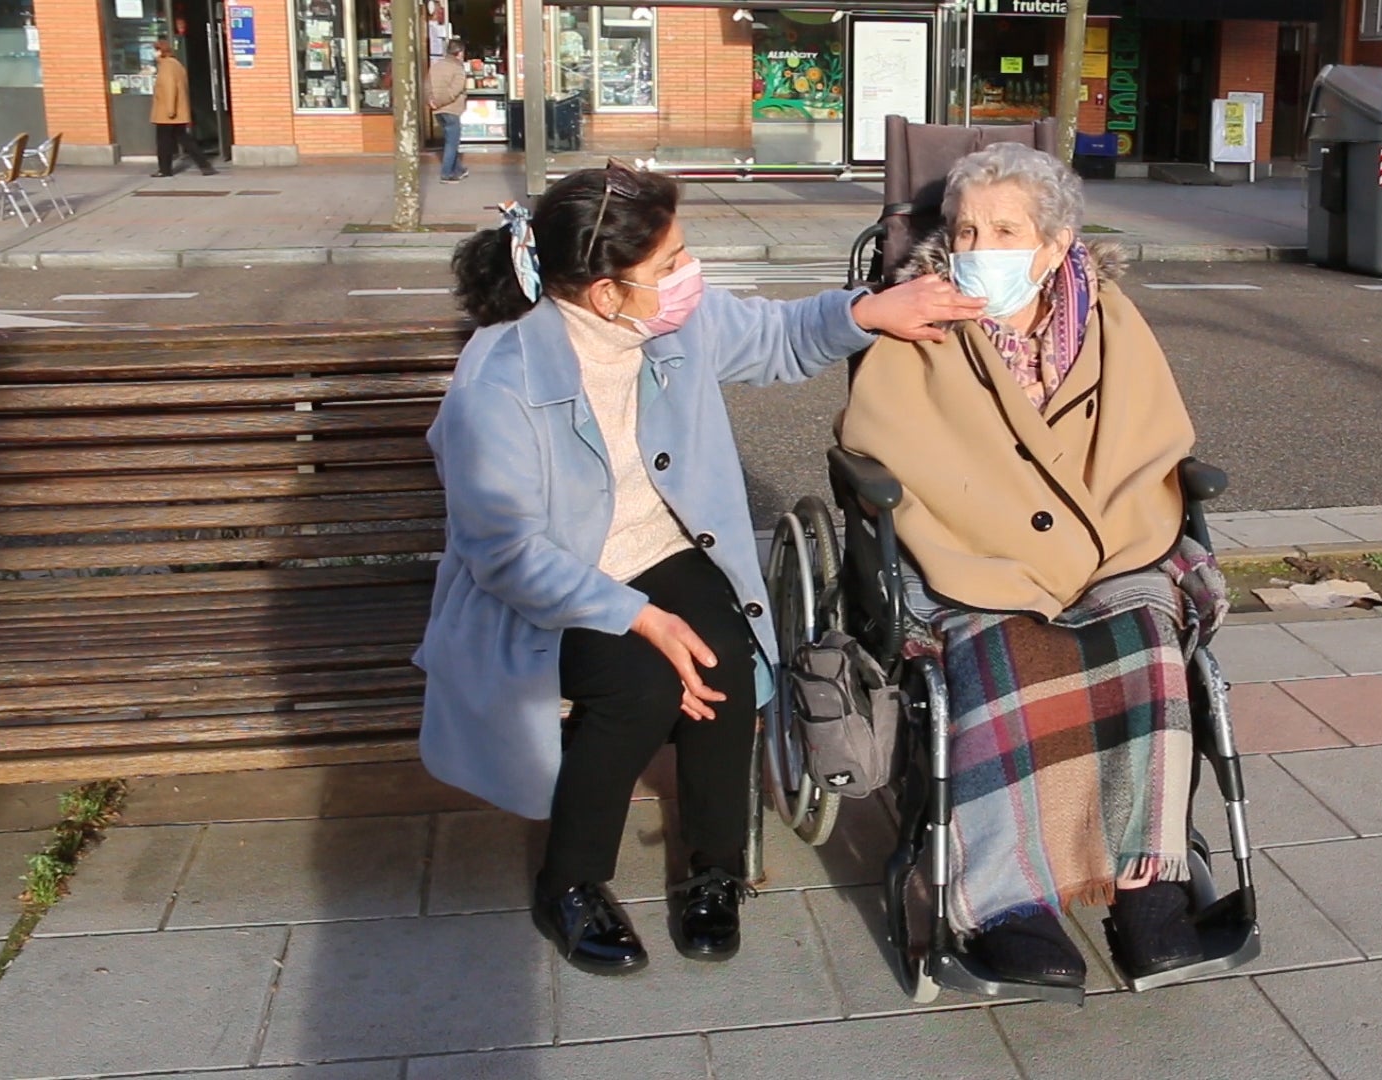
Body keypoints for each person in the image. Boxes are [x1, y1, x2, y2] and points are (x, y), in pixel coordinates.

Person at [417, 161, 983, 976]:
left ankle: (714, 871)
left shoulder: (670, 322)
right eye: (670, 265)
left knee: (726, 660)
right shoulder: (500, 379)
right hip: (556, 581)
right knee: (639, 685)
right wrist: (641, 619)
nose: (692, 277)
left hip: (663, 546)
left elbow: (779, 337)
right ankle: (569, 882)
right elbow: (506, 552)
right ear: (606, 293)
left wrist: (872, 311)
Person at [838, 142, 1227, 990]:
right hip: (973, 545)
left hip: (1103, 539)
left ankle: (1144, 892)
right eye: (967, 228)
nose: (981, 247)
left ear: (1055, 246)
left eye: (1006, 230)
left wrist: (1089, 542)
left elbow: (1149, 436)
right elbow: (885, 439)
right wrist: (1007, 530)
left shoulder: (1110, 317)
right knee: (1005, 645)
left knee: (1146, 639)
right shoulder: (922, 317)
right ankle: (1014, 900)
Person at [149, 38, 215, 178]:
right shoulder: (176, 64)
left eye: (154, 50)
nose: (153, 54)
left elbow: (169, 88)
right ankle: (204, 165)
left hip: (167, 113)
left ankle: (164, 170)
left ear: (160, 51)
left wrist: (170, 110)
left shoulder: (166, 66)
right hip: (177, 111)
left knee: (163, 142)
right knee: (185, 139)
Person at [428, 40, 469, 184]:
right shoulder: (458, 69)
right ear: (459, 53)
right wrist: (440, 102)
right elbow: (455, 91)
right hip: (451, 109)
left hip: (438, 111)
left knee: (450, 141)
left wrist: (431, 101)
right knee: (452, 143)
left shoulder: (435, 66)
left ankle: (459, 169)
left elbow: (427, 86)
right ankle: (446, 174)